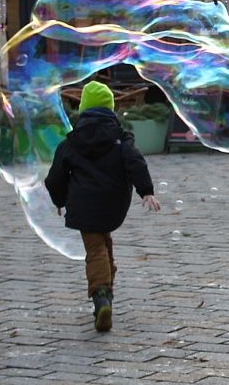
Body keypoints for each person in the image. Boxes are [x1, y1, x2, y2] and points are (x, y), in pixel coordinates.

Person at [44, 81, 160, 332]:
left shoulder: (72, 142)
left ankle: (101, 296)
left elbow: (55, 177)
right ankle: (108, 290)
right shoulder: (120, 137)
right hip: (114, 204)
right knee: (104, 243)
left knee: (95, 249)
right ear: (111, 109)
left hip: (84, 205)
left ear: (84, 109)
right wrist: (146, 191)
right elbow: (135, 162)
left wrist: (59, 200)